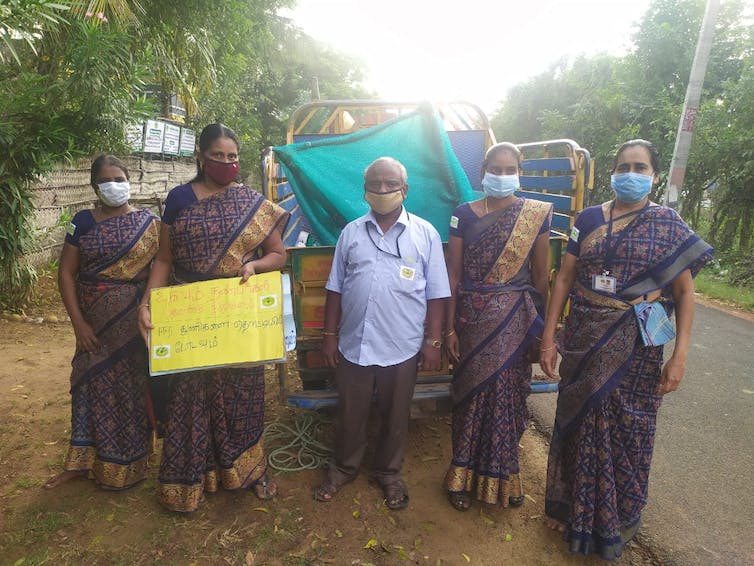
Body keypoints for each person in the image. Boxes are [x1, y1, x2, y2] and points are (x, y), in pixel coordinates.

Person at [540, 139, 713, 559]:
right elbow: (564, 278)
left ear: (653, 176)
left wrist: (680, 356)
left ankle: (617, 520)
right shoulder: (588, 218)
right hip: (583, 341)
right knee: (576, 422)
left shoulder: (668, 224)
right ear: (612, 172)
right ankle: (572, 512)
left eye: (639, 167)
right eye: (623, 166)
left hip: (636, 349)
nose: (630, 174)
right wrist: (548, 336)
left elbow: (685, 294)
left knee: (629, 431)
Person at [137, 123, 289, 513]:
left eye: (232, 157)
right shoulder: (179, 199)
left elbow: (278, 255)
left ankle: (248, 471)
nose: (226, 163)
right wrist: (147, 303)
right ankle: (192, 479)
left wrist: (255, 267)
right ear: (201, 158)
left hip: (237, 312)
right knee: (189, 398)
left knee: (244, 397)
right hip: (191, 315)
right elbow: (165, 260)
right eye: (218, 156)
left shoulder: (251, 202)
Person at [314, 157, 450, 510]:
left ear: (405, 189)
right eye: (375, 184)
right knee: (351, 413)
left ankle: (388, 473)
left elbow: (437, 293)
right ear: (365, 191)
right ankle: (343, 469)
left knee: (395, 415)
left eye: (391, 184)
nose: (383, 190)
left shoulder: (426, 234)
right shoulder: (351, 233)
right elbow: (335, 289)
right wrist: (329, 335)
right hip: (354, 344)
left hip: (402, 345)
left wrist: (433, 342)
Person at [443, 142, 552, 511]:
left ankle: (504, 477)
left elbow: (541, 278)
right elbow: (453, 274)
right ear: (483, 172)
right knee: (470, 398)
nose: (503, 176)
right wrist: (449, 330)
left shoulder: (534, 215)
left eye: (510, 170)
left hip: (514, 322)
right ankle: (460, 478)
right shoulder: (464, 214)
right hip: (470, 319)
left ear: (519, 173)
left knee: (506, 400)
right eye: (496, 169)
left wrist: (541, 333)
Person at [45, 155, 160, 490]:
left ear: (129, 181)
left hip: (133, 322)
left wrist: (146, 306)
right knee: (87, 385)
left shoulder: (149, 223)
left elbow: (159, 270)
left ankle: (133, 462)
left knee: (132, 388)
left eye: (120, 178)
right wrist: (79, 325)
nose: (115, 185)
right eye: (107, 180)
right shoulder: (80, 222)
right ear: (95, 186)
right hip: (93, 327)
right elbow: (66, 273)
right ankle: (79, 463)